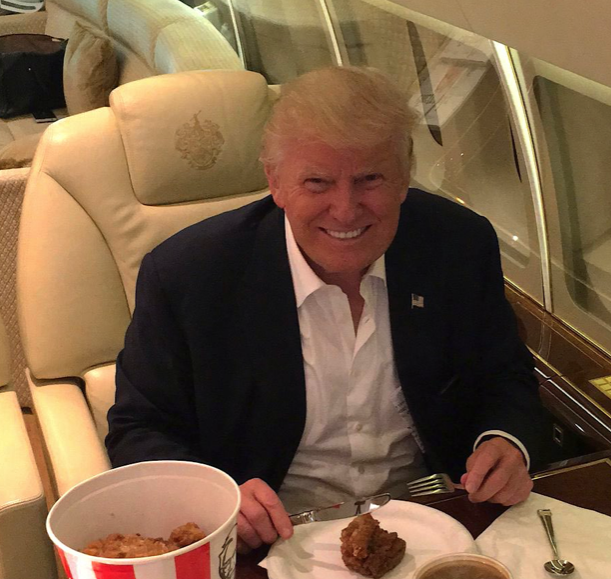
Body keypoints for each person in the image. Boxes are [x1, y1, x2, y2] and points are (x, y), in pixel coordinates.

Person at [106, 66, 547, 551]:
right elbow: (139, 430)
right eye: (317, 182)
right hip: (270, 540)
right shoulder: (189, 274)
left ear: (404, 176)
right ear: (275, 183)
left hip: (435, 523)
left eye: (370, 179)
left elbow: (506, 376)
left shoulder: (457, 244)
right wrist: (215, 499)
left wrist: (507, 441)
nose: (345, 209)